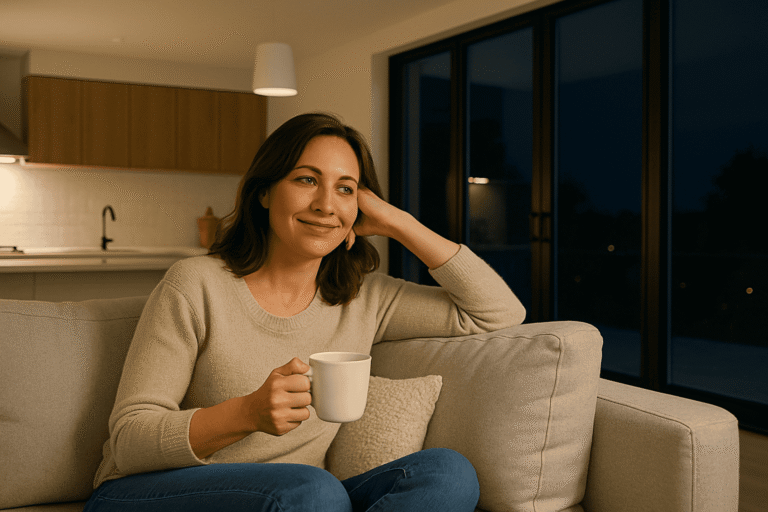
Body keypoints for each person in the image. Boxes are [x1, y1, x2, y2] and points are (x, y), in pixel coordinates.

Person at [84, 112, 526, 512]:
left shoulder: (364, 297)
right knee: (314, 491)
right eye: (306, 180)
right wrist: (247, 414)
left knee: (447, 473)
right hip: (151, 492)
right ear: (263, 193)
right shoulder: (196, 284)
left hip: (300, 499)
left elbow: (499, 312)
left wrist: (397, 223)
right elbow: (129, 441)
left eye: (346, 189)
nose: (326, 205)